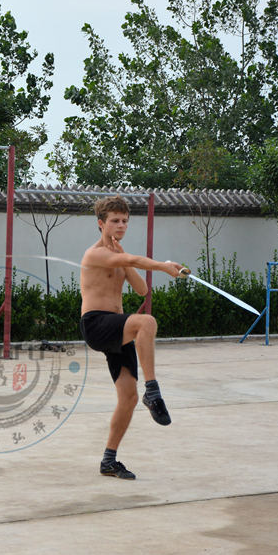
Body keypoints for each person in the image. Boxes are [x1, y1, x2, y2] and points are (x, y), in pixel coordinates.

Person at [79, 195, 184, 480]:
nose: (121, 225)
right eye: (115, 221)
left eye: (125, 221)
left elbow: (141, 290)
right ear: (101, 224)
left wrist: (125, 261)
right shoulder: (94, 254)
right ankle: (153, 390)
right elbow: (131, 259)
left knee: (128, 397)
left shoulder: (118, 255)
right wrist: (163, 265)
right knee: (146, 322)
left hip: (117, 328)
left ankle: (109, 461)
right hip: (96, 323)